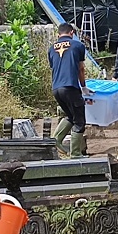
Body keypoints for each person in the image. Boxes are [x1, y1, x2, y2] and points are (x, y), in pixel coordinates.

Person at [48, 23, 91, 157]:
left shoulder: (51, 49)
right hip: (70, 87)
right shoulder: (78, 45)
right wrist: (83, 87)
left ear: (58, 34)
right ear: (72, 32)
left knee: (71, 116)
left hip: (56, 89)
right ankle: (76, 153)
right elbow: (80, 68)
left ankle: (56, 140)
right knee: (79, 121)